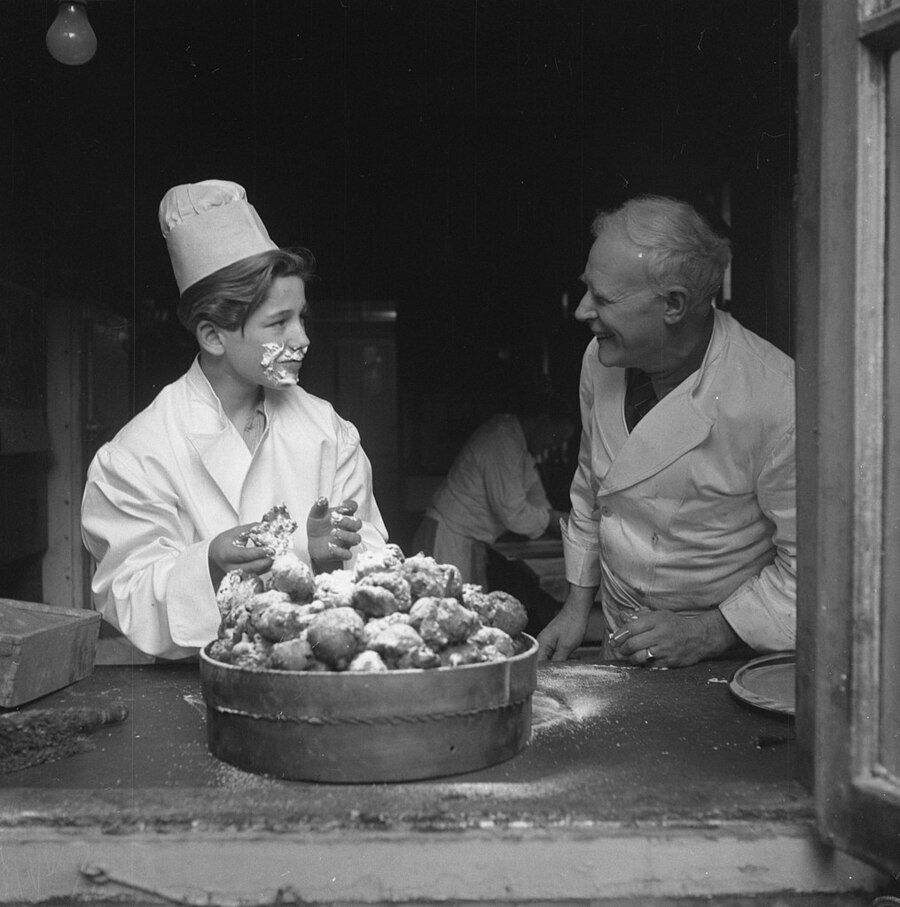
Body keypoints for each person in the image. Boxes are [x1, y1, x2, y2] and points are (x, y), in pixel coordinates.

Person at [81, 179, 389, 659]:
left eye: (302, 318)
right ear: (212, 335)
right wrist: (208, 563)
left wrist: (331, 560)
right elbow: (125, 595)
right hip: (191, 688)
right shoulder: (138, 453)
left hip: (317, 674)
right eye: (278, 322)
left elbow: (377, 574)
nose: (302, 338)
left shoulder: (328, 432)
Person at [537, 195, 796, 668]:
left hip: (730, 656)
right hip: (624, 636)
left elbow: (812, 570)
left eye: (604, 298)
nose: (581, 311)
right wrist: (576, 607)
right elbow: (592, 488)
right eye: (586, 289)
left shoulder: (778, 397)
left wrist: (710, 631)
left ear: (673, 304)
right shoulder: (601, 359)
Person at [412, 397, 575, 587]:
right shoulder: (502, 439)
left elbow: (536, 497)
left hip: (466, 541)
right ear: (544, 421)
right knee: (441, 611)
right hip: (446, 540)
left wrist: (555, 519)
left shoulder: (519, 446)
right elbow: (513, 514)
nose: (556, 445)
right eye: (559, 437)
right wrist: (551, 519)